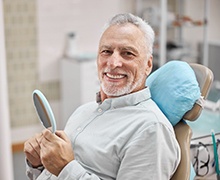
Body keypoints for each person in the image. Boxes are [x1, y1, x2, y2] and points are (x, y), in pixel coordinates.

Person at [24, 13, 181, 180]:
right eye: (106, 51)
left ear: (148, 65)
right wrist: (38, 165)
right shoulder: (83, 111)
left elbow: (64, 171)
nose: (113, 63)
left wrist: (66, 168)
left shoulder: (151, 129)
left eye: (127, 53)